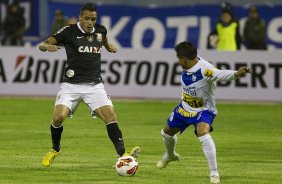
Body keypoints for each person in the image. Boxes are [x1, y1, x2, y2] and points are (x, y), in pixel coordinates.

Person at [38, 3, 140, 167]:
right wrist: (46, 46)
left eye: (93, 19)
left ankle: (123, 155)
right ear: (80, 17)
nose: (90, 22)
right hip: (71, 86)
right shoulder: (68, 31)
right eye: (87, 18)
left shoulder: (101, 30)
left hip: (94, 86)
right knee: (58, 118)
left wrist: (108, 46)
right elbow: (42, 44)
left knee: (110, 117)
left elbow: (103, 39)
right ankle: (55, 149)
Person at [156, 41, 252, 184]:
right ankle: (170, 155)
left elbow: (220, 74)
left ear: (184, 58)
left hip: (204, 110)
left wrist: (237, 73)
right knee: (166, 133)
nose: (178, 61)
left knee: (202, 131)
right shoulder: (192, 61)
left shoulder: (204, 69)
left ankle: (214, 173)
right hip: (185, 107)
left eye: (178, 58)